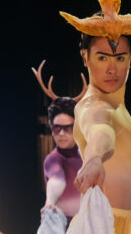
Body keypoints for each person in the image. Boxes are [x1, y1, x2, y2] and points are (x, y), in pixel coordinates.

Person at [59, 0, 131, 234]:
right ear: (85, 58)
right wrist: (94, 158)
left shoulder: (118, 107)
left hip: (128, 222)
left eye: (119, 58)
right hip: (103, 225)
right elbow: (100, 131)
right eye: (102, 57)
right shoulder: (93, 106)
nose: (112, 68)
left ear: (130, 60)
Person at [32, 61, 87, 231]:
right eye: (57, 128)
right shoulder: (53, 159)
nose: (61, 133)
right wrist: (49, 201)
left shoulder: (88, 156)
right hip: (61, 226)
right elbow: (56, 179)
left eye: (67, 128)